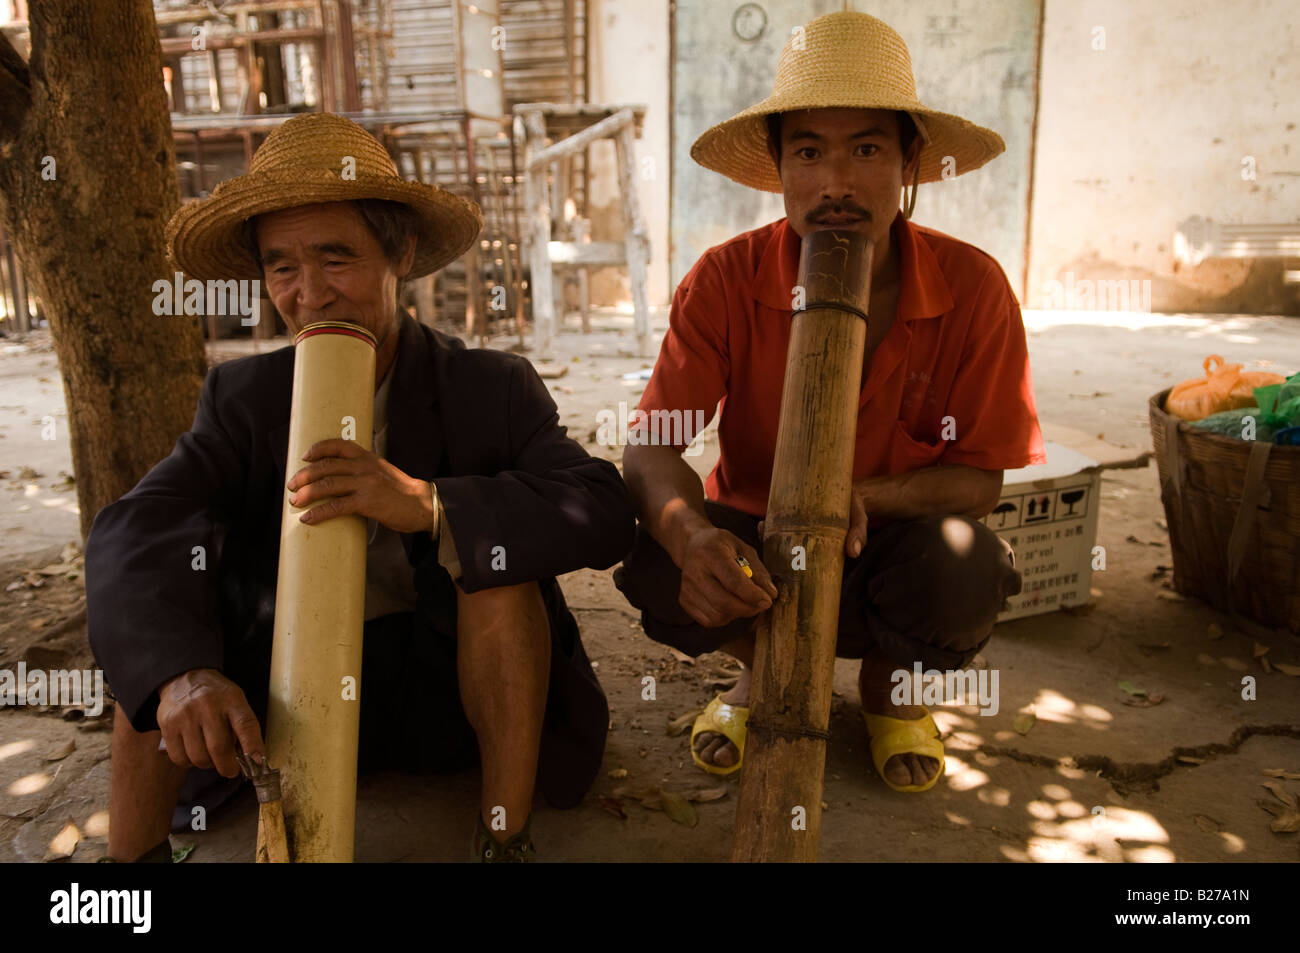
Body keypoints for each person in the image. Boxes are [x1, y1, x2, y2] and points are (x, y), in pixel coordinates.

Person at [86, 113, 636, 862]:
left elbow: (599, 504)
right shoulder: (242, 398)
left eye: (335, 257)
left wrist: (429, 505)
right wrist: (181, 674)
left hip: (445, 693)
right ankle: (126, 880)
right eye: (282, 266)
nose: (310, 294)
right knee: (154, 634)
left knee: (498, 571)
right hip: (288, 700)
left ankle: (504, 838)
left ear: (400, 252)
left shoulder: (489, 386)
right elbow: (138, 524)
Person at [614, 11, 1044, 793]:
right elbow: (651, 448)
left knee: (969, 568)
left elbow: (981, 481)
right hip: (761, 550)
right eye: (809, 151)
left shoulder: (976, 287)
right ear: (778, 165)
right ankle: (760, 674)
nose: (836, 184)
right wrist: (691, 540)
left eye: (867, 150)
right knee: (649, 551)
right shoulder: (724, 278)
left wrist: (857, 497)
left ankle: (886, 689)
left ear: (910, 160)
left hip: (891, 552)